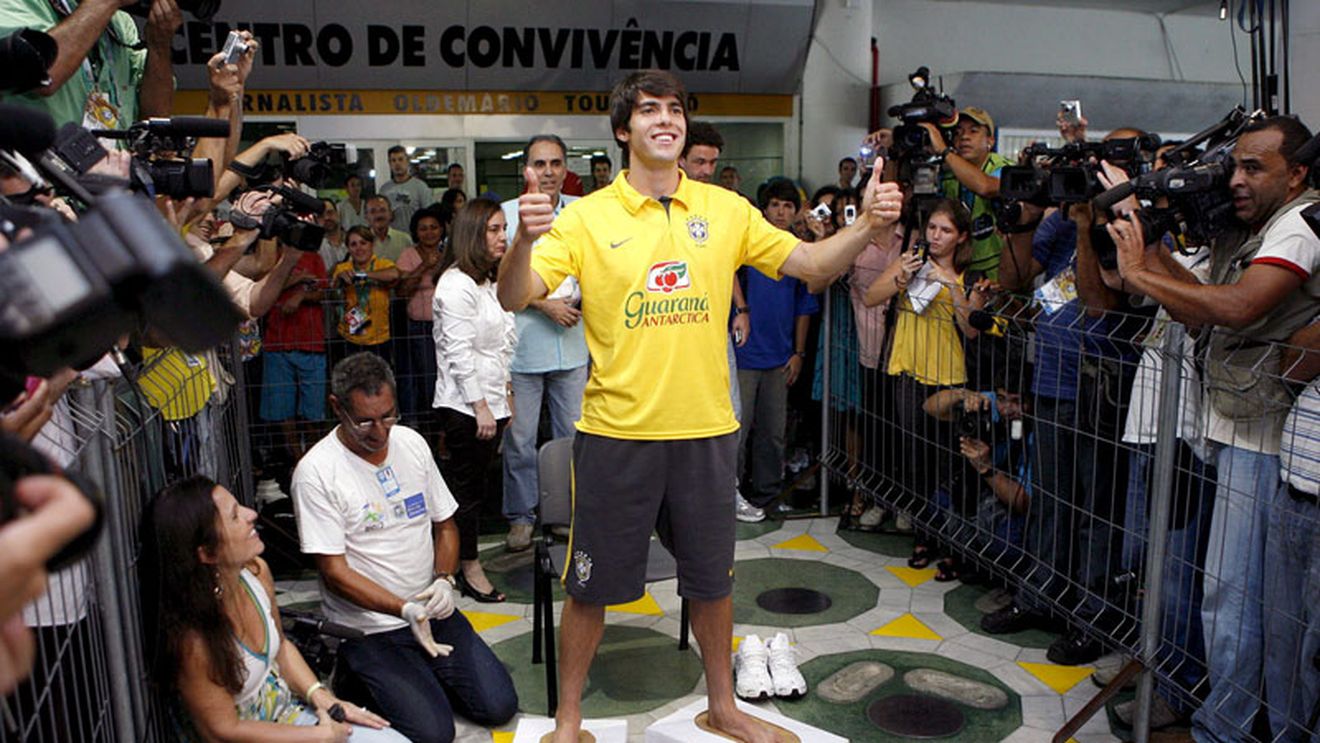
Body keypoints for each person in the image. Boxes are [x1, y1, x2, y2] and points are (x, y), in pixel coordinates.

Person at [496, 69, 903, 743]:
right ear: (624, 129)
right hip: (616, 434)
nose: (666, 119)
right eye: (649, 110)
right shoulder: (587, 218)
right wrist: (522, 241)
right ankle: (568, 720)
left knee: (712, 581)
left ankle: (725, 705)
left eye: (675, 109)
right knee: (589, 588)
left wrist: (868, 225)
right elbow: (515, 296)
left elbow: (812, 263)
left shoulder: (726, 210)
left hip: (708, 431)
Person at [1106, 115, 1318, 742]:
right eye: (1235, 166)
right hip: (1237, 424)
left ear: (1298, 172)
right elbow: (1205, 304)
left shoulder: (1300, 225)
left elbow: (1238, 307)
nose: (1237, 179)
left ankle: (1224, 728)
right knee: (1232, 597)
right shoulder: (1258, 227)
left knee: (1236, 601)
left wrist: (1141, 273)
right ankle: (1232, 719)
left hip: (1266, 436)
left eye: (1256, 167)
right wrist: (1152, 250)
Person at [291, 354, 518, 742]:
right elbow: (334, 572)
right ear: (336, 407)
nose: (379, 432)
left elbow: (445, 524)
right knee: (433, 734)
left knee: (498, 706)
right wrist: (402, 608)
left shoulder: (411, 443)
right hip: (370, 627)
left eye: (388, 416)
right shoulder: (316, 473)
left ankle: (415, 677)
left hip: (430, 610)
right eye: (365, 421)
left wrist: (445, 579)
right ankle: (356, 672)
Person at [139, 476, 408, 742]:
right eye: (234, 516)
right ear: (207, 553)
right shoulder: (193, 640)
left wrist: (322, 696)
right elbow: (223, 731)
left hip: (285, 714)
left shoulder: (255, 571)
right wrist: (318, 737)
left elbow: (280, 647)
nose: (251, 514)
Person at [864, 198, 988, 570]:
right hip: (908, 371)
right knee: (915, 461)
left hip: (949, 376)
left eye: (945, 230)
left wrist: (950, 285)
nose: (936, 236)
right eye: (932, 228)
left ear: (961, 236)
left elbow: (971, 329)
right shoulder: (911, 263)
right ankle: (924, 537)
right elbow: (871, 296)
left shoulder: (969, 276)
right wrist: (903, 274)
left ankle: (952, 541)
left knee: (950, 462)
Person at [499, 135, 588, 552]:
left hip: (574, 346)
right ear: (527, 170)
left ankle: (566, 515)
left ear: (566, 167)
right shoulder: (506, 215)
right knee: (521, 439)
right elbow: (495, 281)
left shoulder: (586, 213)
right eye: (540, 163)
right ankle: (521, 516)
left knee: (574, 437)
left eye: (556, 163)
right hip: (523, 348)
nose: (549, 171)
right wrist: (543, 304)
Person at [433, 200, 516, 601]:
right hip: (466, 407)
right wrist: (481, 406)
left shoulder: (487, 281)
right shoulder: (455, 285)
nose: (504, 237)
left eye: (504, 229)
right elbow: (458, 354)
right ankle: (466, 567)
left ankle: (463, 562)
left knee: (477, 491)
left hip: (492, 402)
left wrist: (506, 396)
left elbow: (503, 346)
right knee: (465, 496)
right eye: (495, 230)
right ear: (473, 235)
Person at [679, 121, 758, 520]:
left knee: (731, 414)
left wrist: (740, 309)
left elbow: (723, 263)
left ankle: (727, 493)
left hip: (714, 330)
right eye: (700, 161)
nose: (708, 169)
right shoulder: (661, 203)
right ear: (679, 158)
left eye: (713, 161)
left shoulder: (722, 206)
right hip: (668, 334)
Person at [736, 179, 819, 515]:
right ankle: (732, 493)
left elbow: (804, 307)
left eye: (788, 206)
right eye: (775, 205)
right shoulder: (746, 251)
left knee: (773, 432)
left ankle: (768, 494)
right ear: (764, 209)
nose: (781, 212)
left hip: (780, 356)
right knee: (737, 433)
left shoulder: (797, 253)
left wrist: (797, 353)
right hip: (743, 355)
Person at [0, 0, 181, 127]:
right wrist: (104, 2)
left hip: (111, 174)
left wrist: (159, 45)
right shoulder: (12, 5)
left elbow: (155, 119)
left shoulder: (119, 24)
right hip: (41, 176)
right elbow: (42, 76)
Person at [921, 106, 1012, 280]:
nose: (964, 137)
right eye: (958, 132)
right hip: (956, 267)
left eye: (974, 131)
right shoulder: (946, 172)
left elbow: (985, 187)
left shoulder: (1005, 168)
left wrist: (944, 151)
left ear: (990, 141)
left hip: (998, 270)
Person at [260, 248, 328, 464]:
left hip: (311, 341)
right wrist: (295, 279)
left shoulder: (314, 257)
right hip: (277, 342)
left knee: (314, 408)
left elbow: (323, 291)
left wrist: (301, 295)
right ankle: (297, 461)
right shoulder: (267, 258)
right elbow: (259, 292)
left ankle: (311, 460)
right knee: (281, 408)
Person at [395, 206, 447, 428]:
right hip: (420, 328)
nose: (429, 232)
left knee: (449, 377)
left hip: (448, 326)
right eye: (423, 228)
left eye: (434, 227)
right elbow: (402, 290)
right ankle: (432, 429)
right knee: (427, 380)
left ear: (442, 229)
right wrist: (426, 265)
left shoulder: (450, 253)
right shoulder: (408, 255)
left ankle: (446, 431)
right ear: (416, 232)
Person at [332, 225, 399, 361]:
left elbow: (394, 274)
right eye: (353, 244)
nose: (359, 248)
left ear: (372, 244)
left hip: (379, 338)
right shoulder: (342, 268)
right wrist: (340, 280)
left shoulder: (383, 264)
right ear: (348, 248)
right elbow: (333, 293)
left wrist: (361, 275)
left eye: (363, 243)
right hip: (349, 337)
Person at [380, 145, 434, 233]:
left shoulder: (420, 187)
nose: (397, 164)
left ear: (407, 161)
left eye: (400, 159)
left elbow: (429, 215)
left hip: (415, 237)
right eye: (393, 160)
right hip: (393, 238)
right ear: (389, 164)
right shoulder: (384, 189)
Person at [364, 195, 413, 263]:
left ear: (390, 213)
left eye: (383, 210)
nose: (378, 215)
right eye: (373, 211)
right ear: (366, 216)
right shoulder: (360, 241)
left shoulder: (404, 240)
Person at [318, 198, 348, 272]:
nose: (326, 218)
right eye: (321, 215)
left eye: (330, 213)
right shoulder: (316, 248)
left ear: (337, 214)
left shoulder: (354, 240)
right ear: (316, 220)